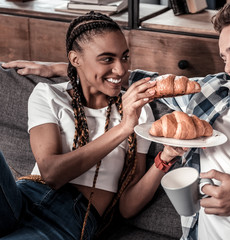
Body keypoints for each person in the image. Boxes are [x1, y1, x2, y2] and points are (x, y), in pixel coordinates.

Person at [3, 3, 230, 240]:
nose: (228, 66)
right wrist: (55, 68)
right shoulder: (211, 92)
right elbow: (131, 79)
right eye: (223, 56)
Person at [0, 11, 186, 240]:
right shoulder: (48, 94)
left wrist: (164, 159)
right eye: (107, 59)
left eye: (125, 57)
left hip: (71, 220)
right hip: (21, 197)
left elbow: (127, 207)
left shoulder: (139, 109)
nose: (121, 70)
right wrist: (123, 128)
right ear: (75, 59)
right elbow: (51, 173)